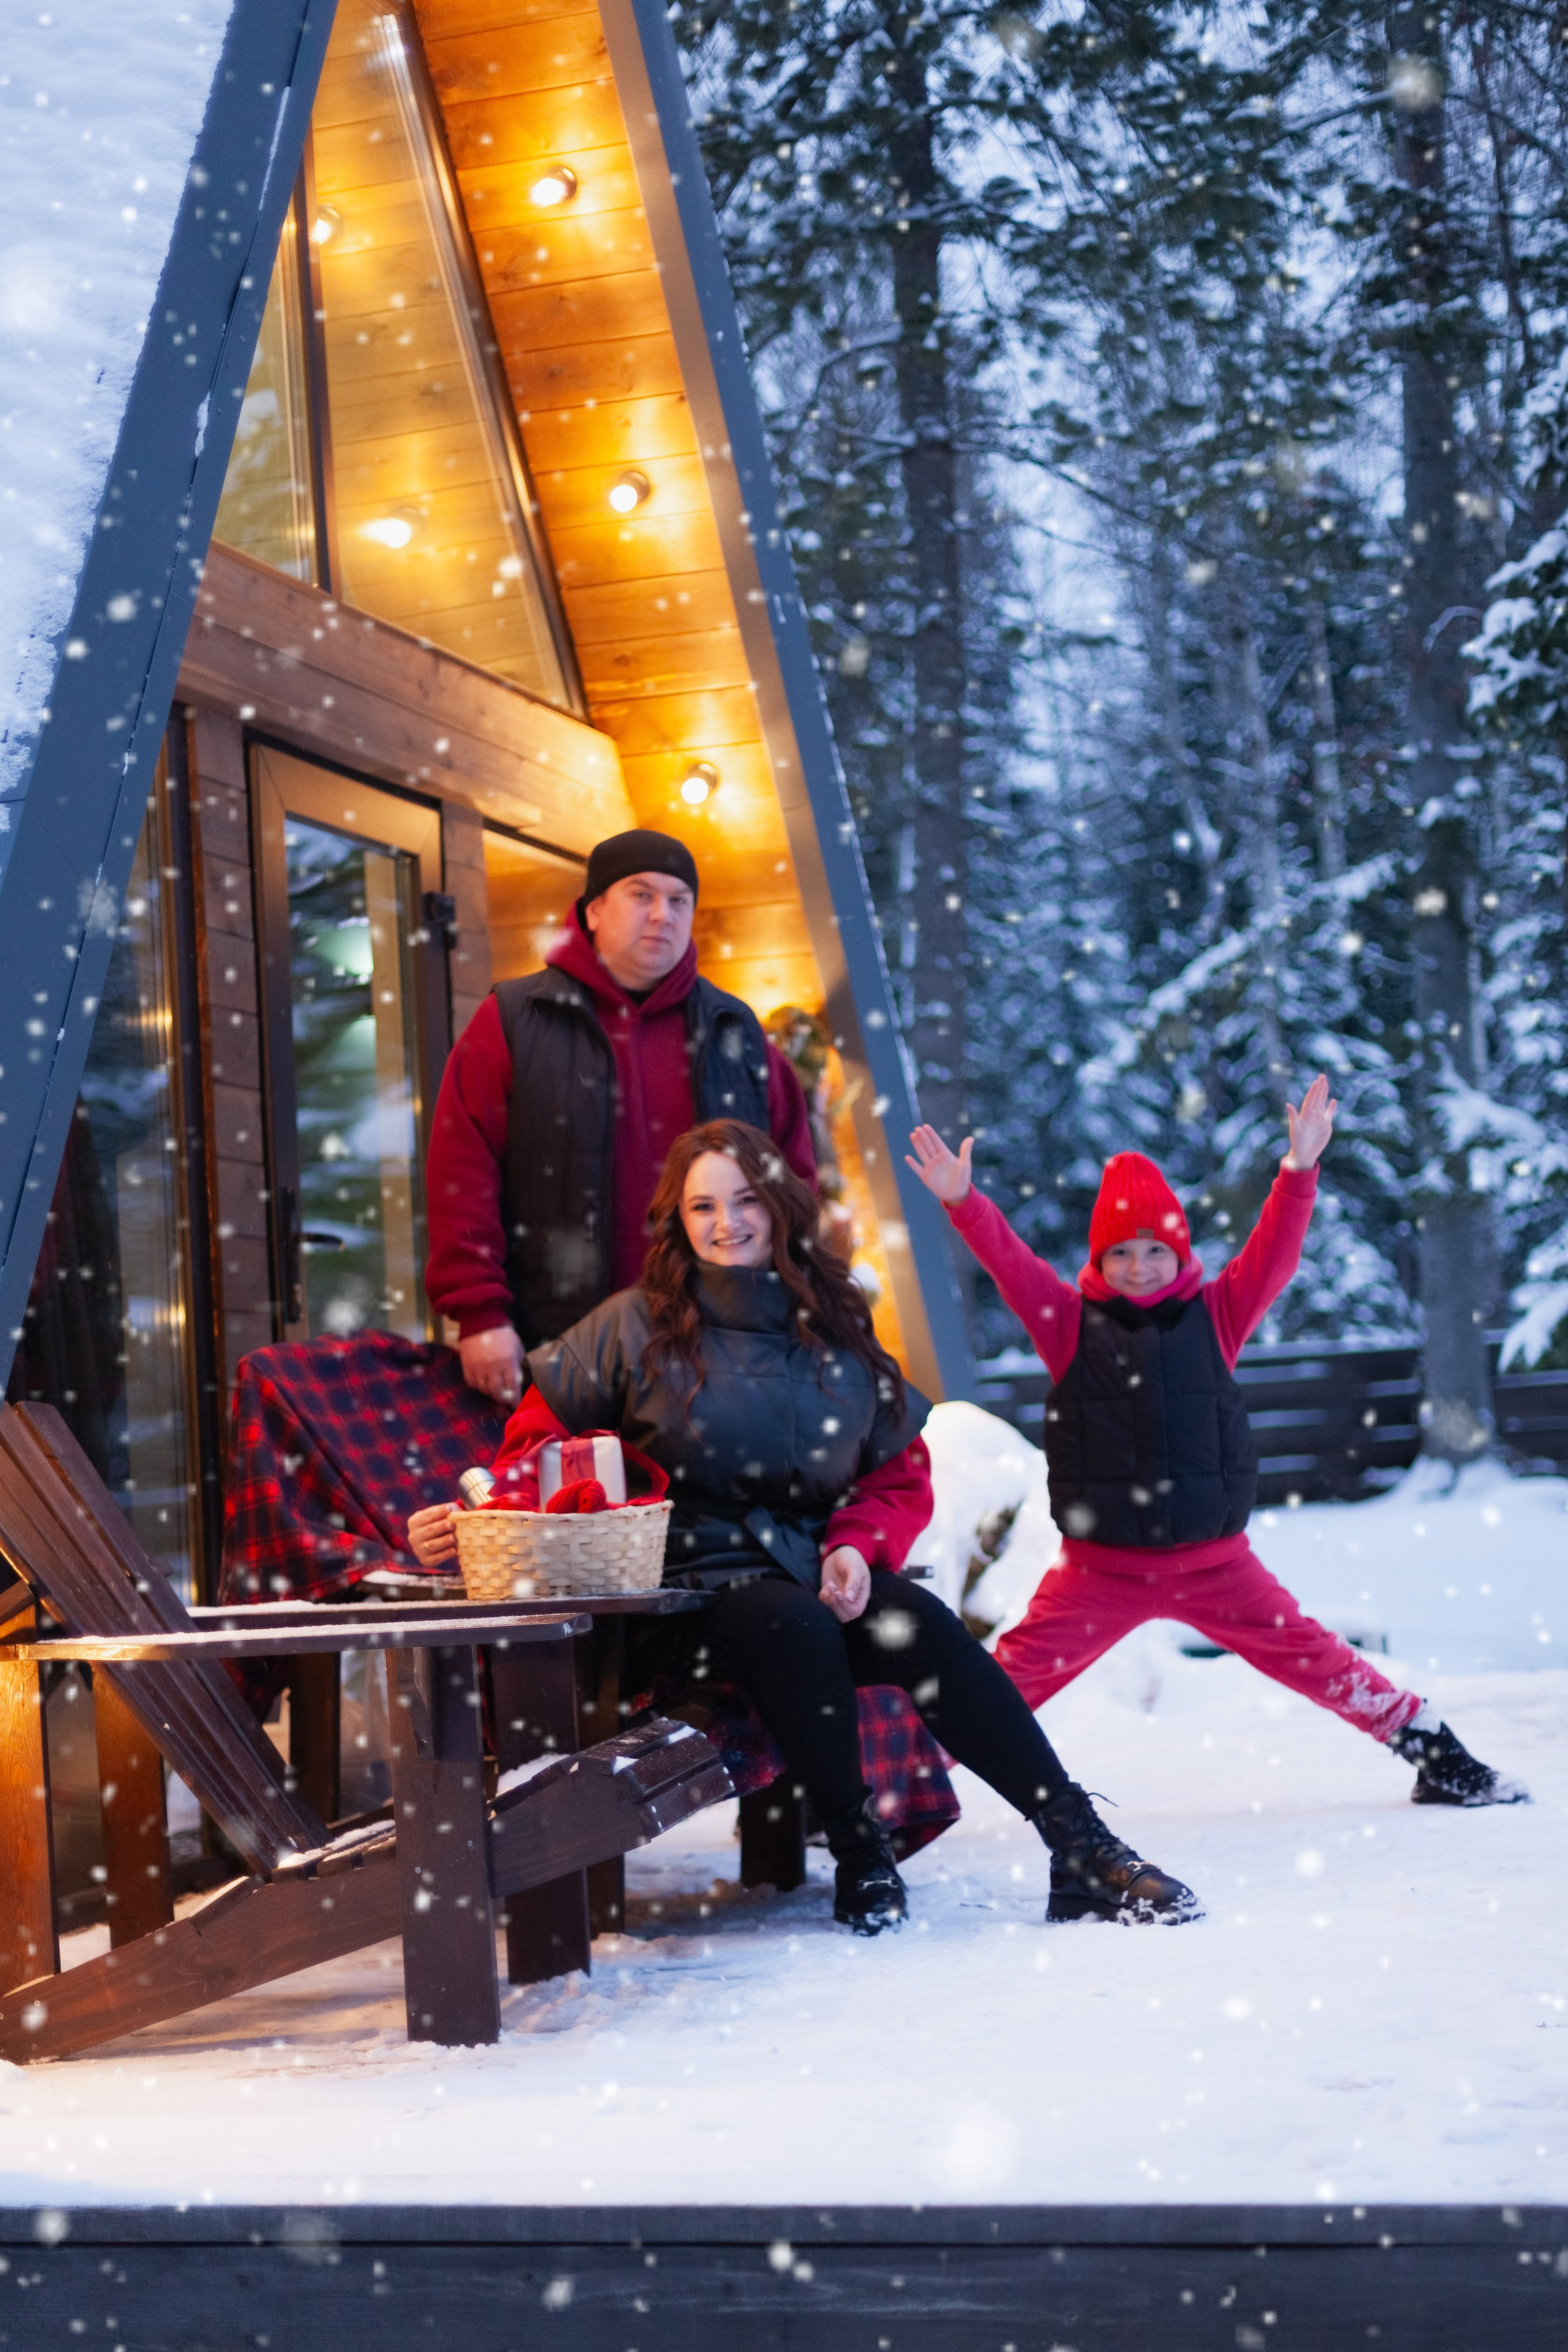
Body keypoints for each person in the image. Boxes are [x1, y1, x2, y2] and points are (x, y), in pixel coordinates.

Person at [410, 1120, 1202, 1934]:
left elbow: (896, 1474)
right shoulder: (632, 1324)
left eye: (746, 1200)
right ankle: (862, 1852)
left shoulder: (831, 1324)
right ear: (678, 1220)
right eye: (703, 1206)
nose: (727, 1223)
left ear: (782, 1204)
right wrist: (480, 1508)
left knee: (911, 1620)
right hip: (671, 1612)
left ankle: (1079, 1844)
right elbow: (534, 1447)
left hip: (803, 1584)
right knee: (785, 1619)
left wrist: (857, 1544)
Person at [906, 1078, 1527, 1809]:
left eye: (1153, 1251)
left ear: (1178, 1252)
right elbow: (1009, 1264)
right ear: (1098, 1262)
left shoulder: (1218, 1315)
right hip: (1097, 1573)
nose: (1138, 1267)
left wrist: (1298, 1172)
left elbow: (1274, 1254)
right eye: (1120, 1254)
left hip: (1215, 1565)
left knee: (1316, 1661)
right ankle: (886, 1790)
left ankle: (1433, 1751)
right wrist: (962, 1202)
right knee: (1005, 1684)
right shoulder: (1066, 1323)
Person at [424, 829, 815, 1408]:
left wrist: (792, 1304)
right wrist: (480, 1313)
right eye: (641, 894)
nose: (662, 914)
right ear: (593, 910)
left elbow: (794, 1183)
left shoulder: (740, 1035)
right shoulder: (512, 1021)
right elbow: (463, 1172)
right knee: (577, 1499)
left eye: (679, 900)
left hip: (719, 1352)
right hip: (560, 1346)